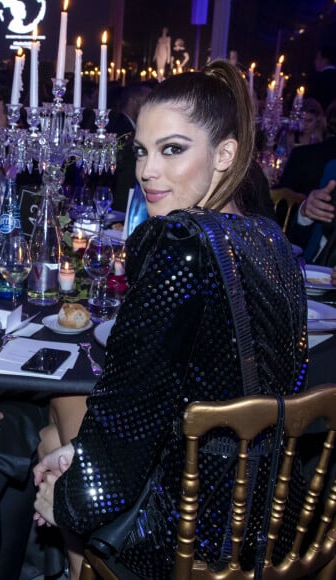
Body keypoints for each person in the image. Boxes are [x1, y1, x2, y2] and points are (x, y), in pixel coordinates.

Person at [34, 60, 308, 578]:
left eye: (173, 149)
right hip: (271, 511)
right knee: (61, 438)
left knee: (52, 462)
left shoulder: (181, 244)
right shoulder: (270, 239)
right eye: (141, 150)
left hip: (191, 527)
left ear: (225, 154)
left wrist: (69, 500)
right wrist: (78, 453)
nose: (146, 171)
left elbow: (127, 406)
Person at [105, 82, 153, 212]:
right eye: (147, 100)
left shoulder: (136, 128)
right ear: (133, 102)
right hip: (119, 199)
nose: (151, 106)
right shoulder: (119, 128)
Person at [277, 99, 336, 194]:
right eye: (302, 120)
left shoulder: (302, 154)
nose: (305, 124)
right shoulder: (291, 136)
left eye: (309, 120)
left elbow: (282, 194)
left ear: (322, 120)